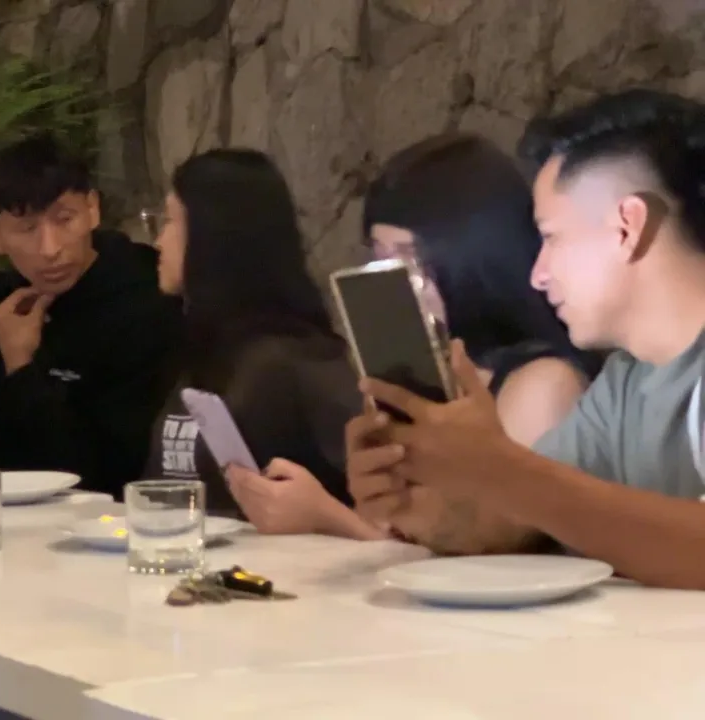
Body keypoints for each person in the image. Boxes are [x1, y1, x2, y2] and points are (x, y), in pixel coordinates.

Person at [348, 89, 705, 589]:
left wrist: (505, 470)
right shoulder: (625, 382)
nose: (538, 274)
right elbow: (513, 524)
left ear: (629, 226)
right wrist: (407, 499)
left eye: (551, 237)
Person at [341, 134, 600, 553]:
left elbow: (498, 543)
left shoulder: (543, 383)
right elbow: (398, 537)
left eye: (413, 258)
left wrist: (327, 513)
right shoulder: (420, 376)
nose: (394, 283)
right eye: (379, 257)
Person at [0, 133, 181, 498]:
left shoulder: (148, 299)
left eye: (65, 219)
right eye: (27, 228)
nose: (50, 249)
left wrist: (21, 366)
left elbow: (106, 469)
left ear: (92, 210)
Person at [146, 148, 375, 537]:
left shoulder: (298, 359)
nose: (158, 241)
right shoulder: (206, 351)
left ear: (212, 235)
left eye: (169, 221)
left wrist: (324, 516)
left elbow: (390, 518)